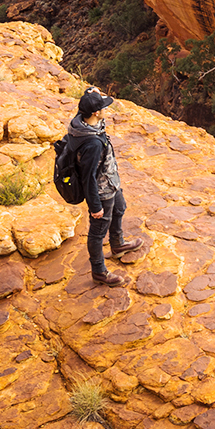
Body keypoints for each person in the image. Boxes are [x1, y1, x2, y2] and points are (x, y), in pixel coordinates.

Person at [65, 87, 141, 286]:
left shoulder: (81, 123)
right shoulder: (92, 144)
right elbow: (87, 177)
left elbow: (86, 108)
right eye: (102, 107)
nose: (106, 110)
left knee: (120, 208)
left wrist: (91, 93)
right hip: (102, 190)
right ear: (96, 113)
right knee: (98, 232)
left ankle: (118, 245)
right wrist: (95, 206)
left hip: (111, 182)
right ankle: (99, 271)